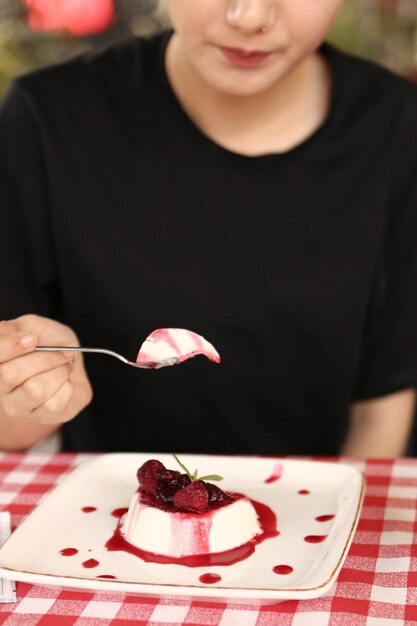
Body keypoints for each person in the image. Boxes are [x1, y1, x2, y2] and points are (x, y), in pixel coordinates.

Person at [0, 0, 416, 457]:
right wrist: (33, 392)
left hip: (319, 514)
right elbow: (9, 426)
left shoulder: (395, 127)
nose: (250, 17)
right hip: (110, 515)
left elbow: (384, 402)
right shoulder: (49, 118)